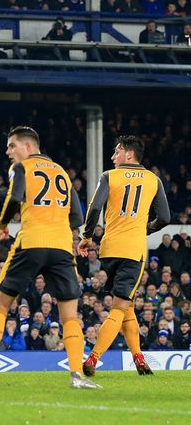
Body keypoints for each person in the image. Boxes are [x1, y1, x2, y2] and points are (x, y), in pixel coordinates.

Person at [0, 126, 97, 389]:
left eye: (12, 146)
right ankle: (77, 376)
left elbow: (15, 196)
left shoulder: (21, 168)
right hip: (60, 248)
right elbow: (77, 218)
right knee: (70, 316)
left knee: (0, 306)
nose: (8, 152)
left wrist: (1, 226)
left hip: (32, 242)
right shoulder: (63, 174)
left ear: (28, 147)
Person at [80, 135, 170, 377]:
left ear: (128, 154)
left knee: (126, 306)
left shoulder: (110, 176)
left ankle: (139, 359)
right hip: (133, 251)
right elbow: (164, 218)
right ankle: (93, 358)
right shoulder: (154, 180)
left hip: (109, 250)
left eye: (116, 152)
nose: (113, 157)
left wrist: (87, 237)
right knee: (120, 308)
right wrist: (143, 229)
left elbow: (95, 207)